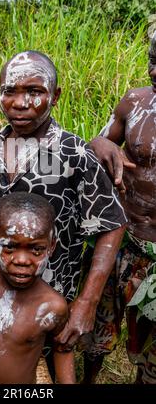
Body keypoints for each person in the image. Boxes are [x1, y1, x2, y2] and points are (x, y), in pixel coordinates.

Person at [0, 50, 127, 380]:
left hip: (52, 298)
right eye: (10, 91)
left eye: (34, 92)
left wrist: (87, 301)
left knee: (52, 364)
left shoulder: (73, 154)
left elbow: (111, 223)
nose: (20, 103)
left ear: (55, 96)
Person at [81, 34, 156, 384]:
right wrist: (99, 144)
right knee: (98, 332)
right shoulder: (134, 102)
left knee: (150, 346)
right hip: (123, 237)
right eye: (152, 61)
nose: (155, 71)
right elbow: (97, 143)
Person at [0, 192, 74, 384]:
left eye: (36, 249)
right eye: (9, 247)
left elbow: (63, 348)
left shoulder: (52, 306)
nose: (22, 260)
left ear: (51, 247)